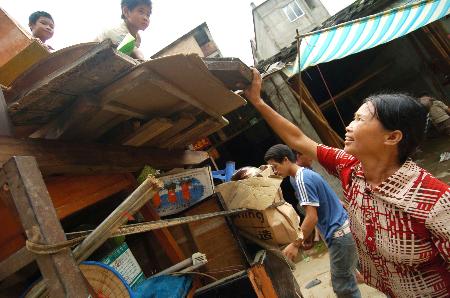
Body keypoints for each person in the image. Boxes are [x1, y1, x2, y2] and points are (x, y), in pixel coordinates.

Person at [244, 69, 450, 298]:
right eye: (353, 118)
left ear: (392, 137)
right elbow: (298, 139)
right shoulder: (350, 166)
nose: (349, 126)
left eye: (360, 120)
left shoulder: (435, 201)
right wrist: (258, 101)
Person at [264, 144, 361, 298]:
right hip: (341, 230)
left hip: (339, 234)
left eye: (275, 166)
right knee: (350, 278)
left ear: (285, 159)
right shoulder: (299, 177)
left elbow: (311, 216)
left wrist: (296, 244)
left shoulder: (301, 179)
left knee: (343, 287)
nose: (275, 171)